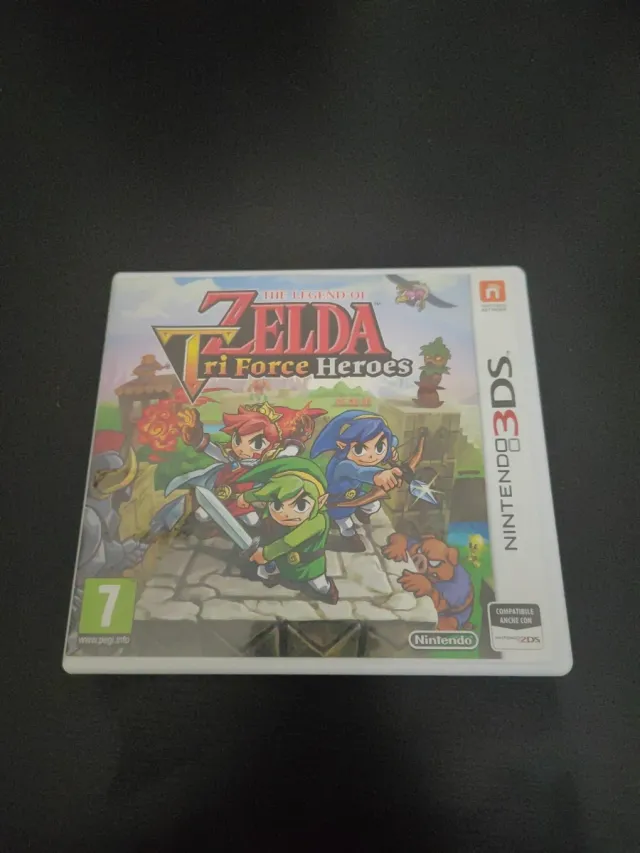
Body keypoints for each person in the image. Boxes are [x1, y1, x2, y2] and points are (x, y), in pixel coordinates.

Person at [238, 457, 338, 604]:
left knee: (319, 586)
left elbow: (288, 541)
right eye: (278, 505)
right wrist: (246, 497)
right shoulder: (277, 516)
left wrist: (266, 553)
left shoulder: (317, 521)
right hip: (282, 560)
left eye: (301, 506)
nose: (285, 514)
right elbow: (263, 494)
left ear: (321, 501)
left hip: (308, 565)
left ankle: (328, 592)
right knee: (267, 569)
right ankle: (273, 573)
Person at [311, 410, 402, 552]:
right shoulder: (343, 465)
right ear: (342, 445)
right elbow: (359, 472)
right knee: (346, 524)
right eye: (359, 449)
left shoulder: (380, 442)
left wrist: (390, 450)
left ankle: (361, 513)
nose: (371, 457)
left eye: (379, 448)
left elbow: (390, 440)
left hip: (356, 494)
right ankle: (349, 538)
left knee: (374, 505)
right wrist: (378, 475)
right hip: (337, 501)